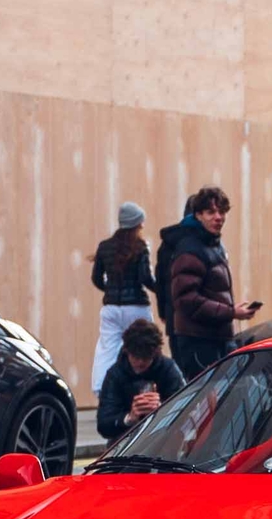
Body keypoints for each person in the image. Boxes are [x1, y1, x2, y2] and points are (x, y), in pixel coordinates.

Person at [165, 185, 260, 376]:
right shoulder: (190, 249)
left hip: (218, 338)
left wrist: (231, 311)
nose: (218, 217)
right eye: (210, 212)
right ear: (198, 215)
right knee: (207, 403)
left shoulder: (212, 244)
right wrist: (231, 312)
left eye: (222, 211)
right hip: (198, 341)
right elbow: (186, 299)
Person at [89, 202, 159, 394]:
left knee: (107, 349)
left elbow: (96, 278)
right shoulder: (140, 246)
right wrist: (162, 290)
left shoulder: (104, 247)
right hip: (136, 307)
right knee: (145, 345)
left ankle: (101, 390)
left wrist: (110, 290)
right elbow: (145, 278)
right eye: (141, 222)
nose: (143, 226)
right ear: (136, 224)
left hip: (111, 308)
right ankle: (147, 388)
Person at [97, 317, 184, 442]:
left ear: (154, 354)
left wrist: (161, 409)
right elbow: (104, 424)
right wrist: (129, 418)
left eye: (145, 357)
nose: (140, 362)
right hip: (126, 440)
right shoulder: (115, 374)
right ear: (127, 352)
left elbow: (184, 408)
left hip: (164, 439)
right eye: (135, 357)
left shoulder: (168, 370)